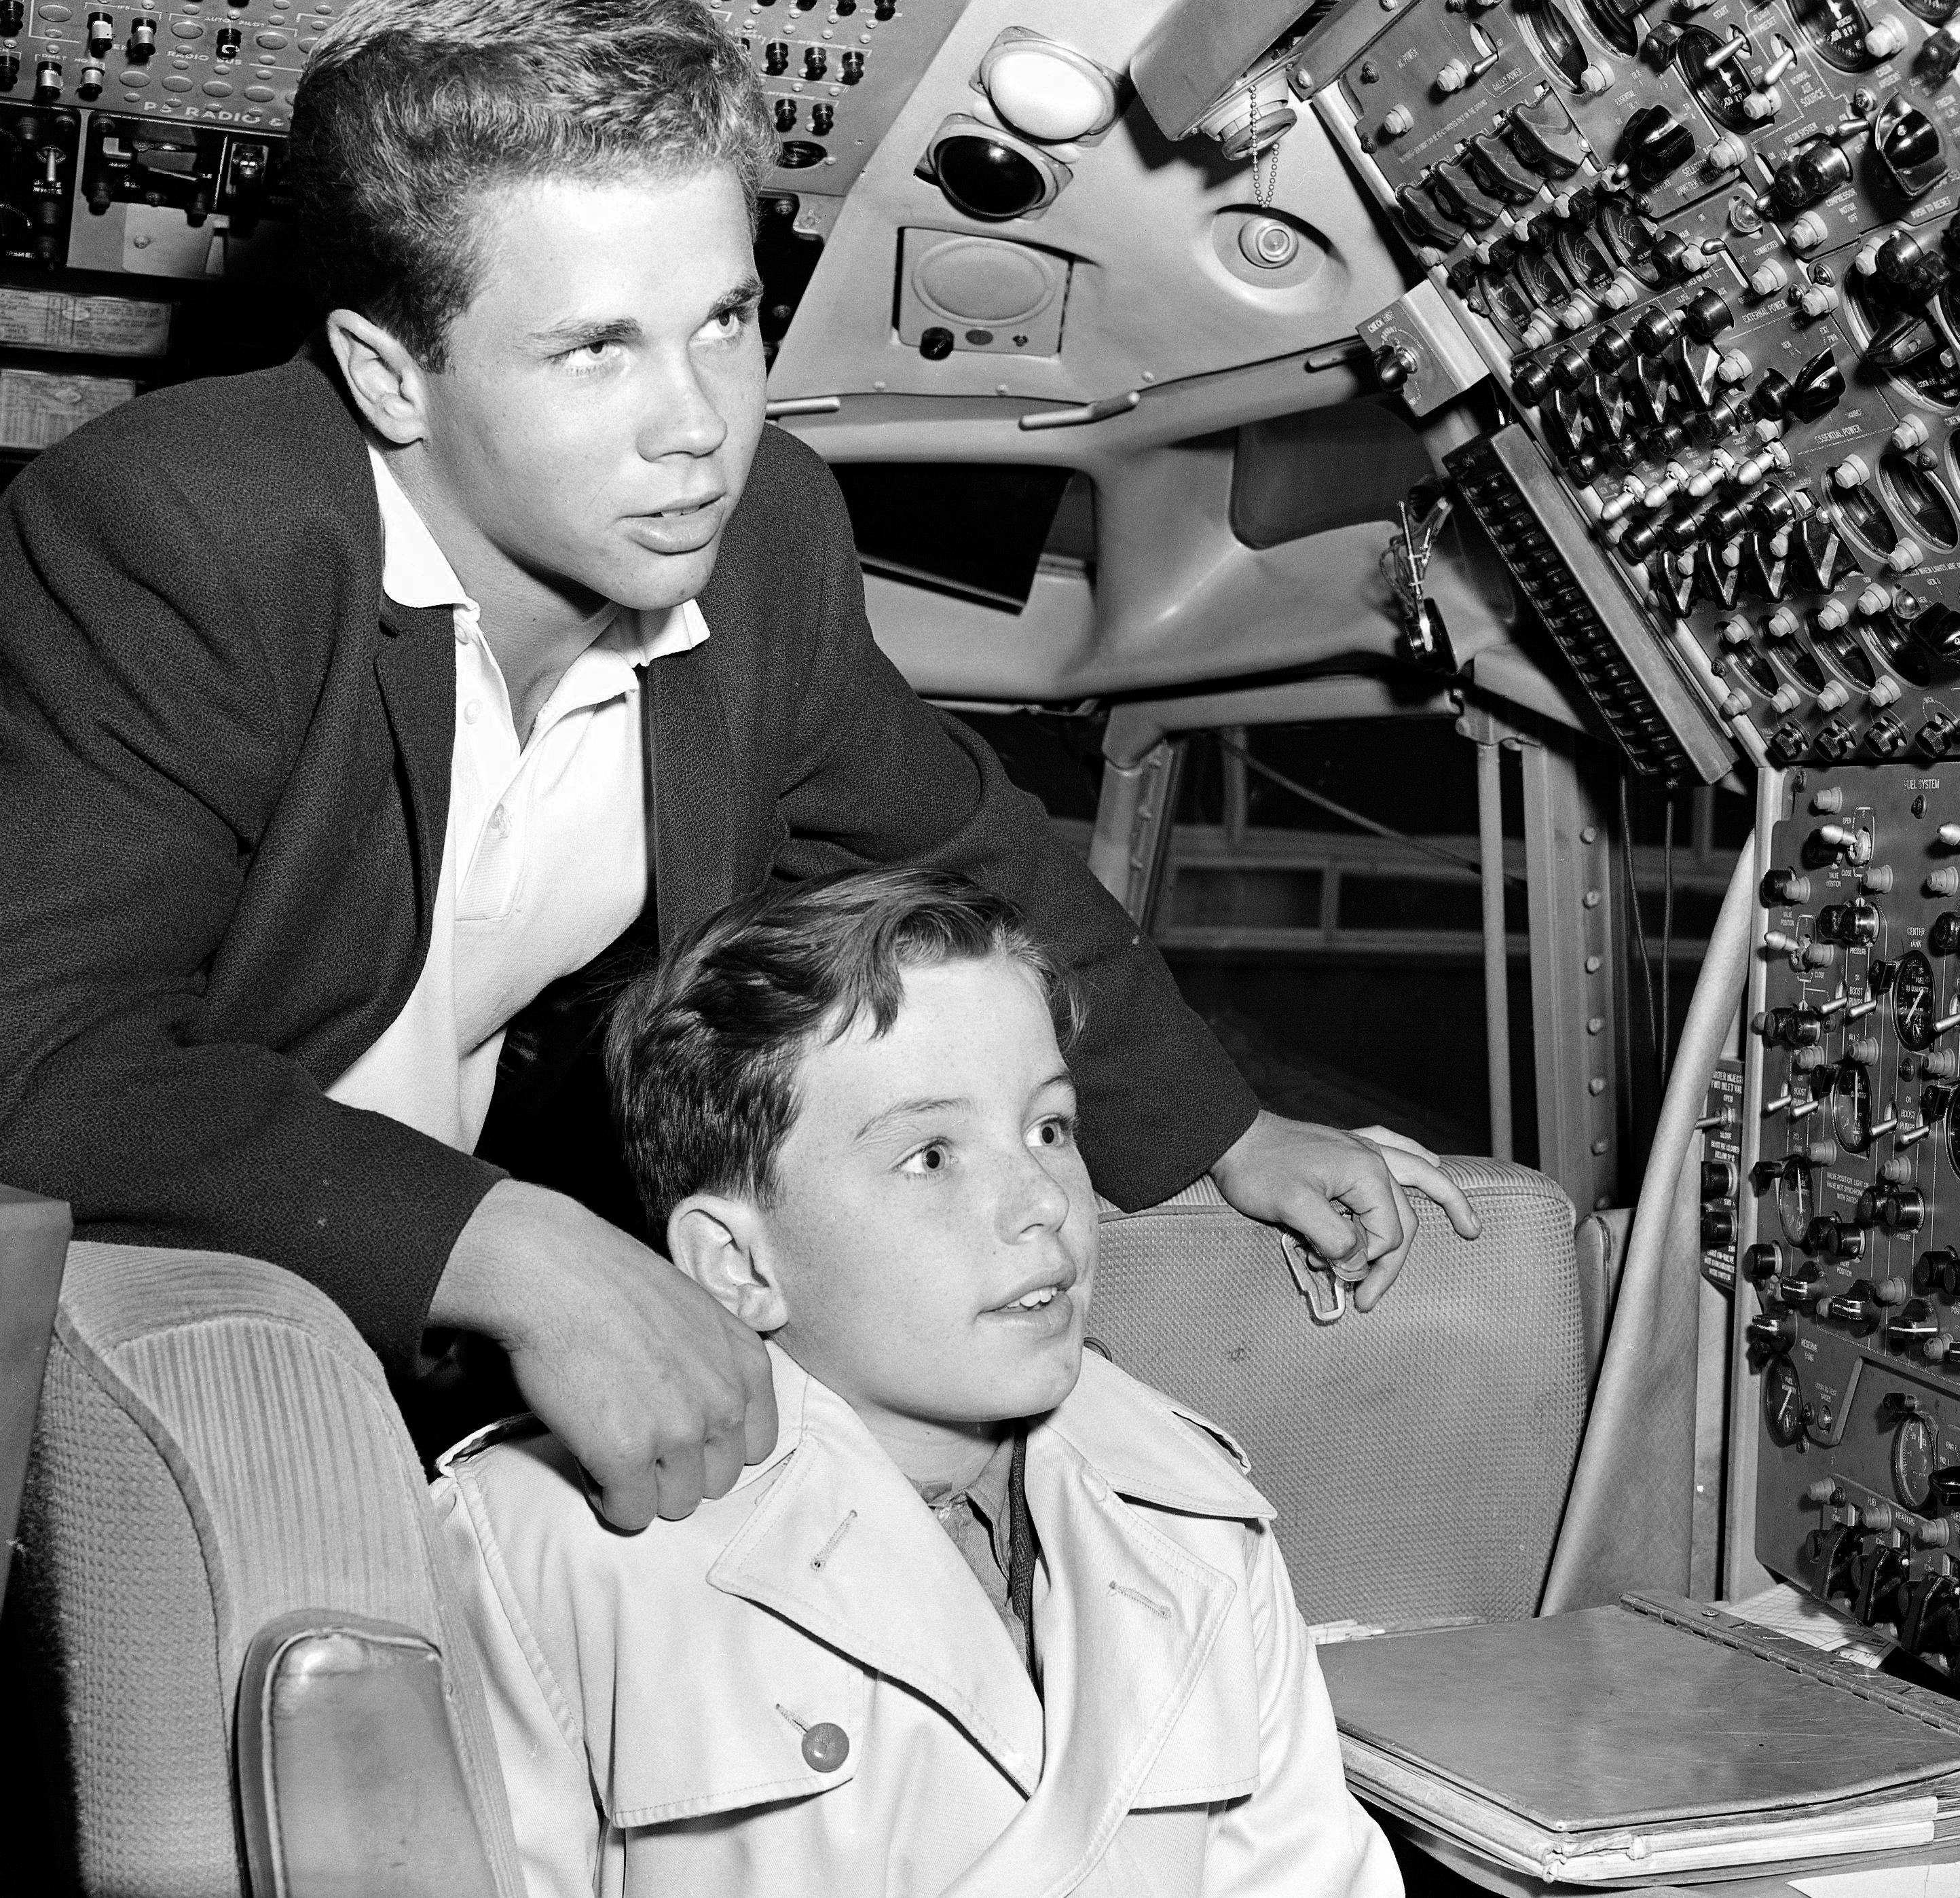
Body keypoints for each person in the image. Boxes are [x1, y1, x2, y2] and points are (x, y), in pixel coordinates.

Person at [0, 0, 1475, 1527]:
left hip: (438, 1295)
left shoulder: (762, 531)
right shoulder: (180, 536)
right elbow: (41, 1056)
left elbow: (963, 852)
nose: (697, 425)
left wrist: (1223, 1132)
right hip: (165, 1294)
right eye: (593, 352)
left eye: (724, 320)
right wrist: (517, 1254)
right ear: (389, 377)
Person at [433, 867, 1405, 1897]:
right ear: (738, 1263)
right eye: (932, 1156)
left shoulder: (1200, 1521)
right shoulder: (540, 1554)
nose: (1041, 1200)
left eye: (1051, 1128)